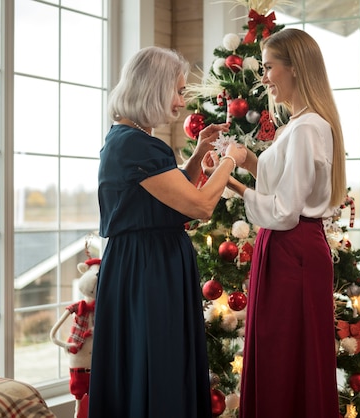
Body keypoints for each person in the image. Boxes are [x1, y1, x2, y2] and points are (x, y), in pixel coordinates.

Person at [88, 46, 247, 418]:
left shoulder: (129, 141)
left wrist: (199, 154)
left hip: (145, 264)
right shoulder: (136, 147)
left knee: (150, 362)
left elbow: (173, 198)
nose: (181, 101)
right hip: (148, 270)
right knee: (158, 361)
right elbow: (200, 206)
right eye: (177, 91)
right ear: (154, 90)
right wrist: (229, 160)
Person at [227, 28, 346, 418]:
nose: (263, 77)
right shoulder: (299, 125)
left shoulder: (307, 128)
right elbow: (287, 188)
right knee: (284, 353)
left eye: (269, 67)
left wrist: (237, 188)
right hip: (288, 247)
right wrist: (246, 163)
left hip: (291, 249)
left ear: (295, 69)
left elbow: (285, 210)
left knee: (285, 357)